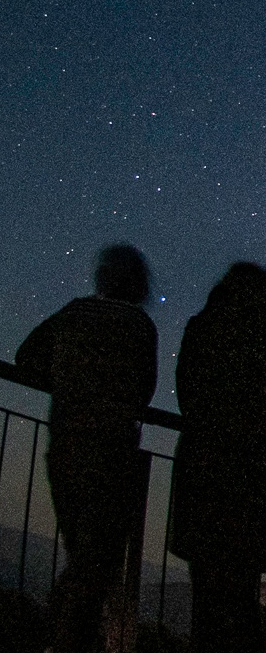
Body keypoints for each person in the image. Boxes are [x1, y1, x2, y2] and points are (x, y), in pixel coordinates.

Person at [14, 244, 158, 653]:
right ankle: (66, 638)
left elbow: (27, 356)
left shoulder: (75, 312)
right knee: (96, 564)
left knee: (84, 556)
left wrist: (68, 380)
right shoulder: (140, 326)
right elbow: (143, 390)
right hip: (113, 452)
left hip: (66, 445)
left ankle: (64, 636)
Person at [169, 262, 266, 653]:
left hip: (202, 472)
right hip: (253, 483)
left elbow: (187, 393)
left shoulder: (204, 328)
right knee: (239, 604)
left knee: (207, 602)